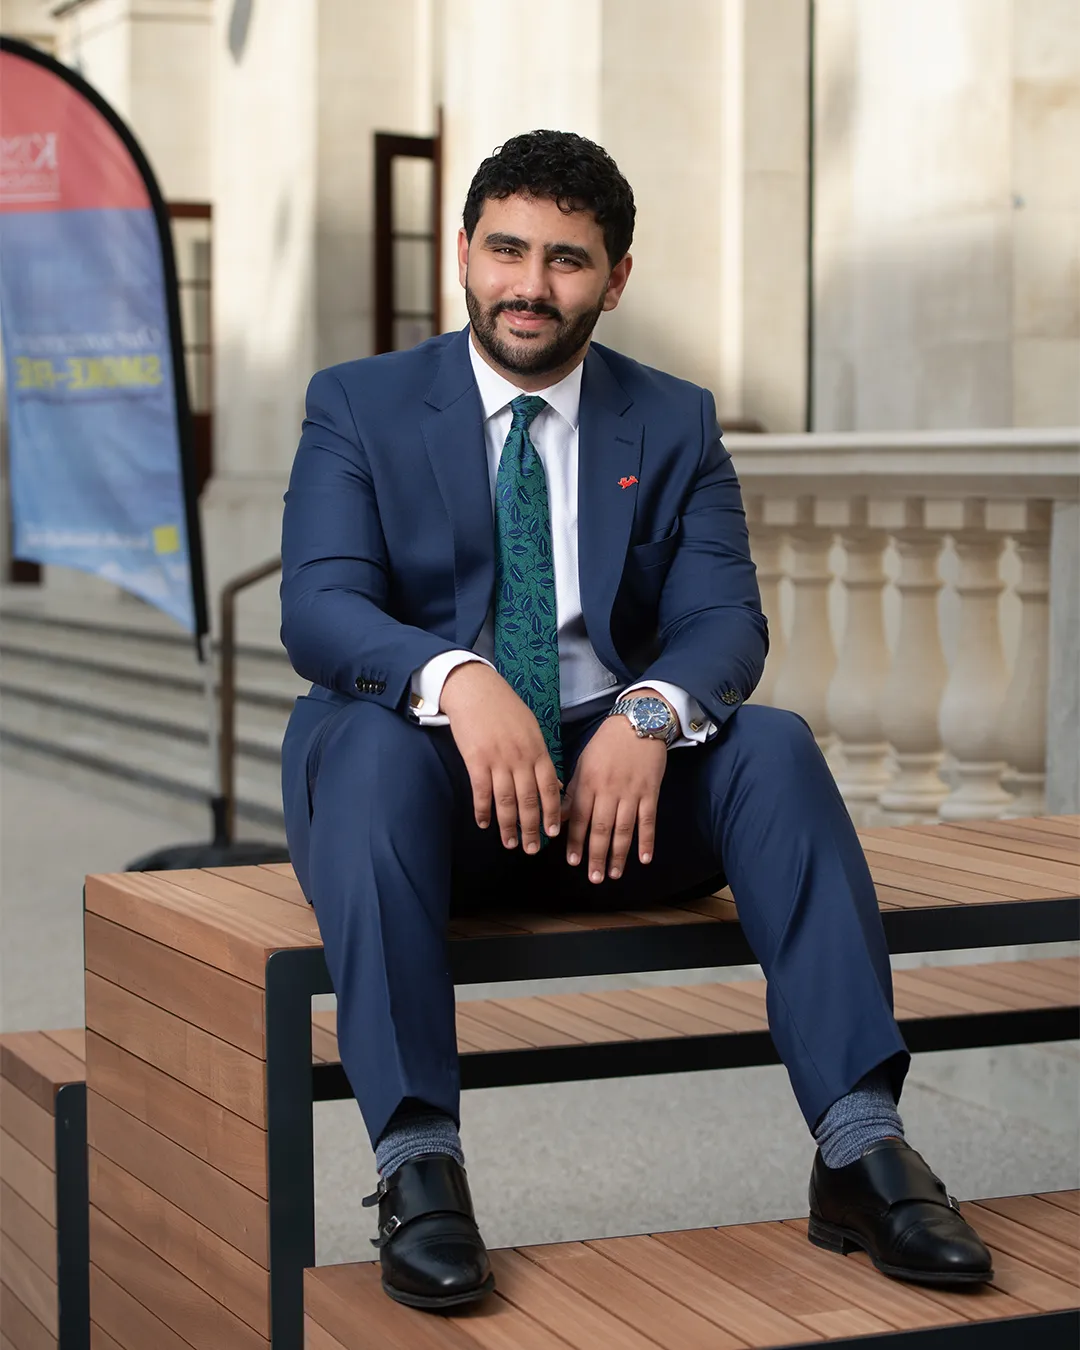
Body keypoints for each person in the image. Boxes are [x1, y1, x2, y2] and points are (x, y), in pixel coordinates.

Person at [280, 129, 992, 1311]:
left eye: (566, 260)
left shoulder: (671, 420)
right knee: (364, 747)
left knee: (771, 746)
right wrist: (459, 682)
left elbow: (726, 627)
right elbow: (319, 608)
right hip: (423, 801)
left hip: (617, 804)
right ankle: (419, 1170)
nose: (528, 284)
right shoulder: (356, 404)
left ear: (614, 279)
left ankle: (863, 1153)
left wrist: (652, 715)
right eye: (506, 249)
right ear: (464, 251)